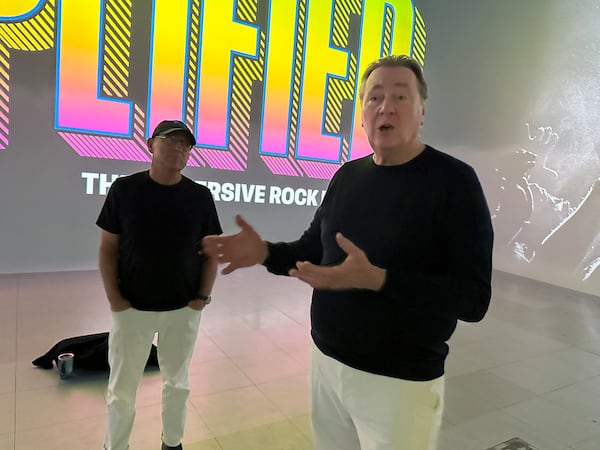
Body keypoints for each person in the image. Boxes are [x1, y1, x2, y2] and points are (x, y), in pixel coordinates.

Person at [202, 55, 494, 449]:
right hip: (326, 363)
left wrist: (378, 280)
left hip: (399, 383)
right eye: (374, 97)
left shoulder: (454, 182)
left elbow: (473, 299)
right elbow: (311, 251)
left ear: (422, 111)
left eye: (400, 96)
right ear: (362, 115)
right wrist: (265, 252)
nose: (386, 107)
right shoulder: (347, 176)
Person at [97, 120, 222, 450]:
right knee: (122, 388)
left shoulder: (200, 197)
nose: (179, 149)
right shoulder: (125, 190)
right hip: (131, 309)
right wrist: (115, 299)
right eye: (171, 141)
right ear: (151, 144)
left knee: (177, 383)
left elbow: (211, 252)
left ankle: (172, 442)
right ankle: (115, 445)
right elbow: (108, 247)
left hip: (182, 309)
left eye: (186, 145)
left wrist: (202, 298)